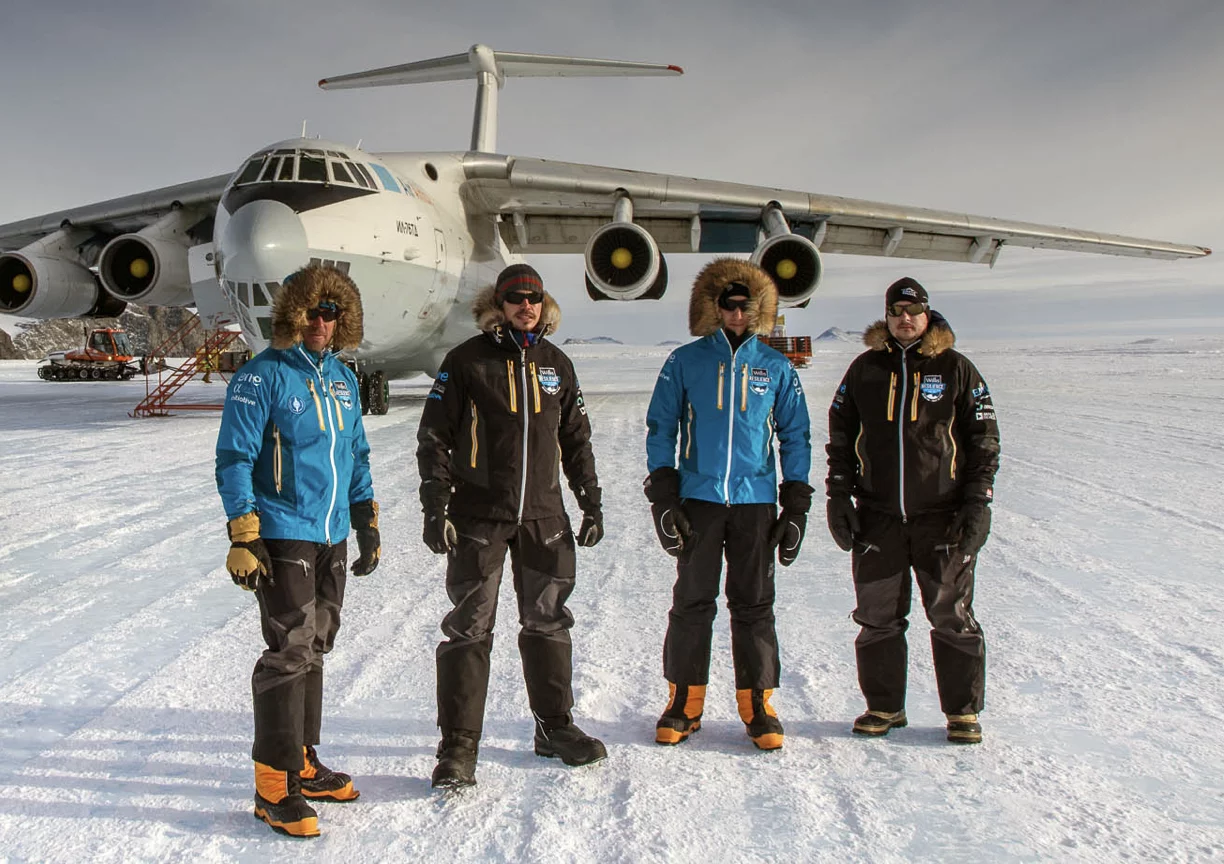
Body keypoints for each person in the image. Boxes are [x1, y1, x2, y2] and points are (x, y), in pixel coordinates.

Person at [416, 263, 606, 790]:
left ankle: (555, 727)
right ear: (498, 305)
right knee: (469, 627)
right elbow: (434, 437)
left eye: (535, 298)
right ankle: (457, 745)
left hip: (544, 518)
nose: (527, 305)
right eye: (517, 298)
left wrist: (590, 501)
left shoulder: (556, 365)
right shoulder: (467, 362)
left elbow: (576, 440)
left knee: (547, 622)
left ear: (544, 305)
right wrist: (436, 505)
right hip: (481, 517)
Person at [215, 263, 381, 837]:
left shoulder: (342, 379)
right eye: (311, 311)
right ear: (292, 314)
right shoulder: (262, 376)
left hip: (330, 531)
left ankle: (304, 764)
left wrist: (366, 518)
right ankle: (272, 785)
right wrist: (243, 533)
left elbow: (355, 453)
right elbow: (234, 457)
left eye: (331, 313)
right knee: (288, 649)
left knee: (314, 645)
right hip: (283, 530)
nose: (321, 322)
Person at [644, 258, 812, 751]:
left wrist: (795, 501)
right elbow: (662, 427)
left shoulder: (775, 366)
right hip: (700, 499)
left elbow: (795, 435)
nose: (737, 314)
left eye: (746, 307)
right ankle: (684, 702)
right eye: (728, 306)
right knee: (692, 602)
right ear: (714, 309)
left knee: (754, 603)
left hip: (754, 502)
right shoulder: (685, 361)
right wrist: (663, 493)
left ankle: (758, 704)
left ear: (757, 311)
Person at [826, 276, 1000, 745]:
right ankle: (884, 707)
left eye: (914, 312)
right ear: (886, 316)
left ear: (927, 316)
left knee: (951, 614)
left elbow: (984, 441)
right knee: (877, 615)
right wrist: (838, 494)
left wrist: (977, 501)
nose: (905, 320)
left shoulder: (957, 369)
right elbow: (840, 434)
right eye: (897, 312)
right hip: (879, 515)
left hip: (942, 517)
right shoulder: (865, 369)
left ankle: (962, 713)